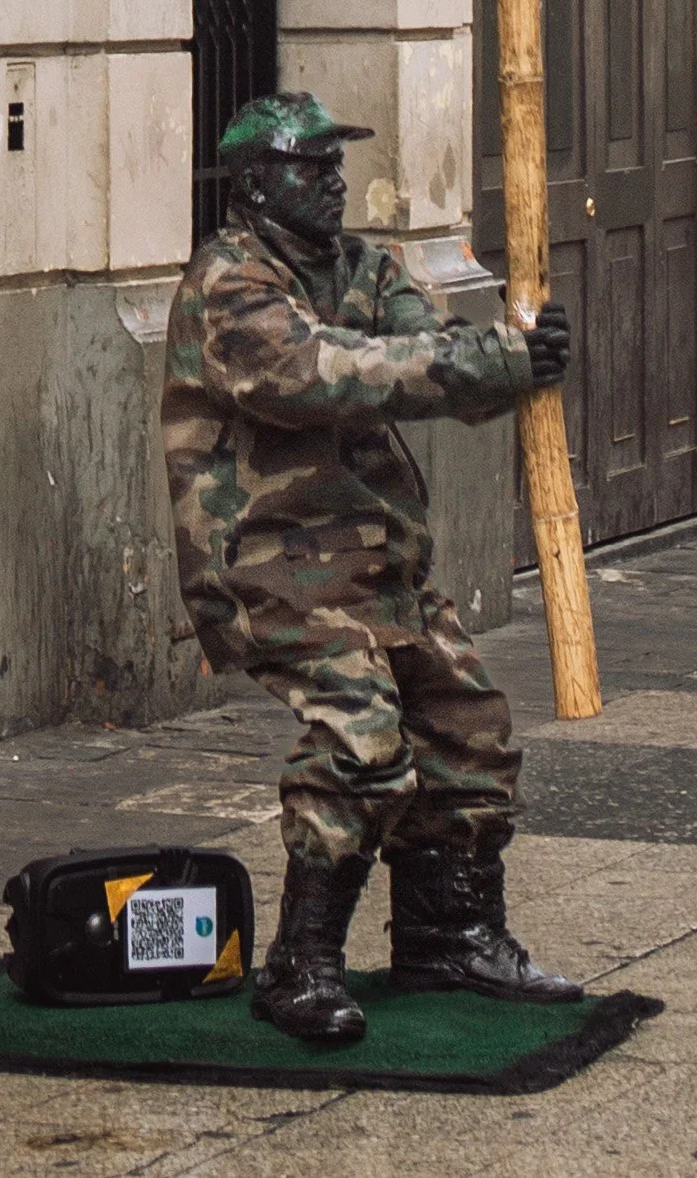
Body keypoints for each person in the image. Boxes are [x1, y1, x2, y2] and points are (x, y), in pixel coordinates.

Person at [162, 90, 580, 1044]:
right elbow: (327, 374)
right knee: (360, 732)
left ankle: (447, 931)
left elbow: (424, 343)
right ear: (257, 182)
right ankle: (300, 963)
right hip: (267, 564)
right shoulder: (229, 284)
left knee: (467, 720)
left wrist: (511, 355)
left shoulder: (358, 264)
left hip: (374, 560)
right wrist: (491, 364)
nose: (333, 179)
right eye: (311, 166)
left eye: (334, 162)